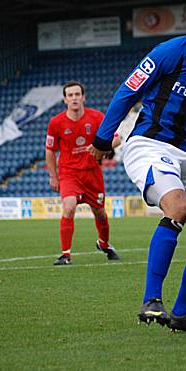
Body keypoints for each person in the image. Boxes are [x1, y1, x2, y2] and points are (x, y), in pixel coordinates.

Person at [88, 0, 186, 333]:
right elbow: (127, 92)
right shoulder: (170, 52)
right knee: (178, 207)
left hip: (185, 157)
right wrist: (102, 139)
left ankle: (181, 313)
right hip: (149, 146)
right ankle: (151, 300)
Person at [45, 81, 121, 266]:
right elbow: (50, 150)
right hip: (69, 173)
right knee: (69, 206)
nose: (74, 98)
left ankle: (104, 244)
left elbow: (117, 139)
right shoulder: (56, 122)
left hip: (92, 173)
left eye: (77, 94)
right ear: (65, 100)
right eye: (70, 95)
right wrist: (53, 176)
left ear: (83, 97)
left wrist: (100, 146)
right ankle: (65, 254)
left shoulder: (97, 117)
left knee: (100, 213)